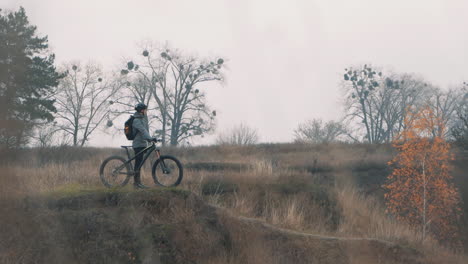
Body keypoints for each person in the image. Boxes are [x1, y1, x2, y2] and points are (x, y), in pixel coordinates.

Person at [132, 103, 156, 189]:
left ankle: (138, 183)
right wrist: (150, 138)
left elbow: (145, 131)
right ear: (141, 110)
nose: (146, 111)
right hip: (138, 144)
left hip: (142, 144)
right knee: (138, 164)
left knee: (139, 164)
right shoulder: (136, 120)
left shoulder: (142, 119)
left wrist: (149, 138)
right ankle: (136, 183)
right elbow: (142, 130)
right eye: (145, 109)